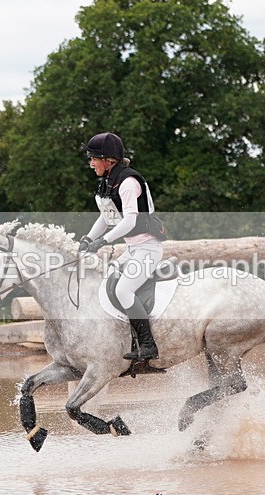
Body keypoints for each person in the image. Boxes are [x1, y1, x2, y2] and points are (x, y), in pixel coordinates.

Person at [78, 132, 166, 361]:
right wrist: (88, 239)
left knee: (123, 289)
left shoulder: (127, 182)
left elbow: (130, 220)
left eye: (93, 159)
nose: (91, 164)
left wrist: (104, 241)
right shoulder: (108, 183)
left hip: (148, 248)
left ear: (107, 161)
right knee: (108, 279)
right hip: (133, 250)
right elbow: (106, 218)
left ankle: (148, 345)